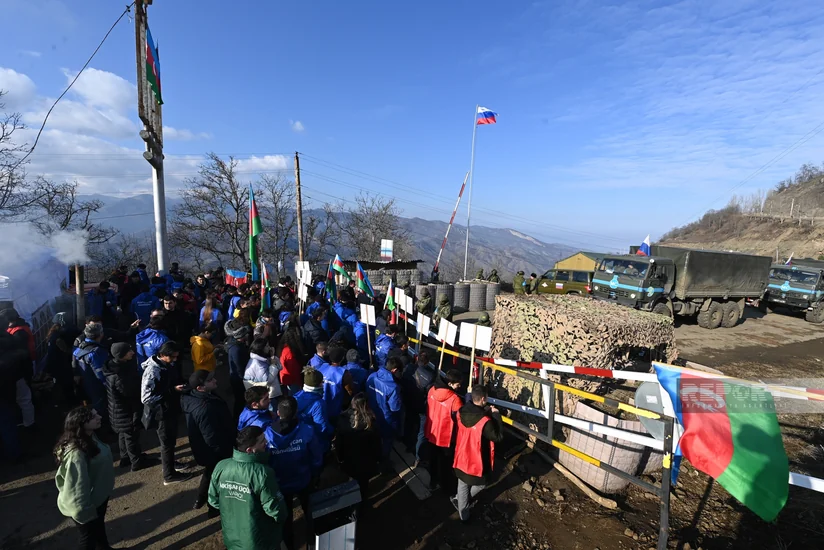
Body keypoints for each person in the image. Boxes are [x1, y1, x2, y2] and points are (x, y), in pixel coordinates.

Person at [208, 426, 287, 550]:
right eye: (262, 441)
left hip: (232, 537)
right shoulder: (263, 473)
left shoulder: (221, 466)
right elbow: (276, 510)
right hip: (260, 539)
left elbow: (213, 501)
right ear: (250, 450)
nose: (266, 443)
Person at [54, 407, 115, 550]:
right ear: (81, 423)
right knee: (87, 539)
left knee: (99, 528)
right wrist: (85, 512)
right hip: (86, 506)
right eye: (93, 417)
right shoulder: (76, 454)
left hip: (98, 498)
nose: (99, 417)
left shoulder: (90, 436)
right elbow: (76, 488)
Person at [268, 396, 324, 550]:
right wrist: (315, 473)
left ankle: (289, 545)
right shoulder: (307, 430)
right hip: (304, 479)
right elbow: (316, 456)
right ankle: (313, 544)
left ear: (278, 412)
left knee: (286, 519)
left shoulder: (267, 434)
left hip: (281, 484)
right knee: (311, 512)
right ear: (296, 412)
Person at [141, 341, 193, 485]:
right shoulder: (152, 371)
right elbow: (146, 397)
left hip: (170, 410)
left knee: (170, 442)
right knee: (167, 444)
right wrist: (172, 391)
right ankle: (169, 475)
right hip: (162, 414)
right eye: (172, 357)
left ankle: (171, 464)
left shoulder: (166, 365)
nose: (175, 360)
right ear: (163, 355)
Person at [182, 369, 234, 510]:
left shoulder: (200, 397)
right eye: (210, 380)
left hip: (207, 449)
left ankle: (201, 499)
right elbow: (211, 436)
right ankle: (213, 507)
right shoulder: (205, 407)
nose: (215, 380)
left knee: (210, 473)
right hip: (214, 450)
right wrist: (226, 452)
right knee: (217, 477)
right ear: (200, 387)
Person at [451, 385, 503, 522]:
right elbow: (497, 437)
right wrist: (496, 416)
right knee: (481, 483)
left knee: (462, 483)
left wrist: (485, 411)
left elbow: (473, 415)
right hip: (476, 458)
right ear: (484, 398)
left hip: (461, 453)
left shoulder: (461, 411)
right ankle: (464, 514)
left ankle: (460, 502)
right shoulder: (486, 422)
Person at [104, 343, 154, 472]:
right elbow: (130, 392)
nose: (132, 352)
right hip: (126, 410)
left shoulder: (114, 368)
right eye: (128, 351)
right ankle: (136, 461)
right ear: (121, 355)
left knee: (123, 433)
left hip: (118, 409)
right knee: (131, 435)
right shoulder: (120, 375)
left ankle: (125, 457)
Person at [336, 393, 381, 503]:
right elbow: (376, 445)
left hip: (349, 459)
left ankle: (353, 501)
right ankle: (363, 501)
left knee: (351, 481)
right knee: (363, 485)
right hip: (365, 462)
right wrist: (377, 459)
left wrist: (340, 458)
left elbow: (339, 443)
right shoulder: (371, 424)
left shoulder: (342, 419)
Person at [424, 369, 463, 492]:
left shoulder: (431, 390)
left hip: (431, 432)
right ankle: (446, 488)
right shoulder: (455, 399)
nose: (460, 386)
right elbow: (461, 420)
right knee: (446, 464)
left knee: (433, 460)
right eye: (458, 384)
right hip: (446, 437)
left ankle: (433, 481)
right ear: (450, 383)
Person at [2, 308, 36, 429]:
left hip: (19, 371)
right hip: (18, 371)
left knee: (24, 398)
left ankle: (29, 423)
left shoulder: (18, 332)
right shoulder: (18, 329)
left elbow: (22, 355)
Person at [401, 350, 437, 466]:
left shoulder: (409, 368)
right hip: (421, 406)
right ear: (427, 362)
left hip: (408, 401)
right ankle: (418, 457)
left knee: (409, 423)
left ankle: (407, 444)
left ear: (417, 358)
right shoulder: (430, 376)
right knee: (421, 432)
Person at [366, 356, 403, 459]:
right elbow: (395, 408)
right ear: (394, 370)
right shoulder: (393, 387)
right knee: (387, 440)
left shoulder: (372, 376)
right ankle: (384, 461)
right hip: (386, 419)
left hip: (371, 414)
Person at [0, 326, 28, 461]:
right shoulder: (7, 357)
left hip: (6, 394)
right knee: (7, 424)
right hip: (5, 395)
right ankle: (14, 454)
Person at [72, 323, 109, 419]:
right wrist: (108, 385)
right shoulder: (95, 352)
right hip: (97, 385)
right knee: (100, 408)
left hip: (86, 382)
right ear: (100, 334)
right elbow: (100, 373)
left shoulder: (80, 347)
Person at [293, 367, 333, 452]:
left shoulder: (296, 396)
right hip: (316, 444)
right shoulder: (318, 404)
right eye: (322, 382)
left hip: (300, 442)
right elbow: (322, 428)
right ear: (319, 384)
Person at [226, 319, 253, 421]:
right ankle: (237, 420)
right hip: (238, 380)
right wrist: (245, 380)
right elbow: (239, 368)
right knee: (240, 401)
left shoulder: (235, 345)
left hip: (237, 378)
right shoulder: (236, 349)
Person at [316, 346, 352, 422]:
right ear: (342, 358)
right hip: (336, 409)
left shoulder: (322, 366)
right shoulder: (344, 373)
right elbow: (350, 391)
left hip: (322, 405)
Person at [278, 324, 305, 395]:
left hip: (287, 379)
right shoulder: (289, 352)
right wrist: (300, 382)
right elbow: (294, 370)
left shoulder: (283, 348)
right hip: (292, 380)